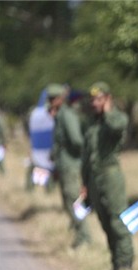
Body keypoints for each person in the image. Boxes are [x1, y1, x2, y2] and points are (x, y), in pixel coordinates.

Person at [81, 82, 134, 270]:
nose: (95, 103)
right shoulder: (91, 123)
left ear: (108, 99)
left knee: (117, 221)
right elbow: (86, 156)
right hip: (94, 178)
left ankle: (125, 264)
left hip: (111, 176)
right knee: (104, 221)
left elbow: (117, 127)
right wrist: (85, 183)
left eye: (99, 99)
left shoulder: (116, 117)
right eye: (93, 100)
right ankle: (115, 263)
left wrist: (108, 111)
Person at [48, 83, 91, 248]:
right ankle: (79, 234)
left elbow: (77, 141)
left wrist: (80, 159)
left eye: (54, 98)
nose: (51, 101)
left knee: (74, 201)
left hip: (71, 165)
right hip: (64, 165)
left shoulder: (67, 115)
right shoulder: (59, 115)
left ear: (61, 99)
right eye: (50, 98)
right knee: (68, 201)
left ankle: (84, 237)